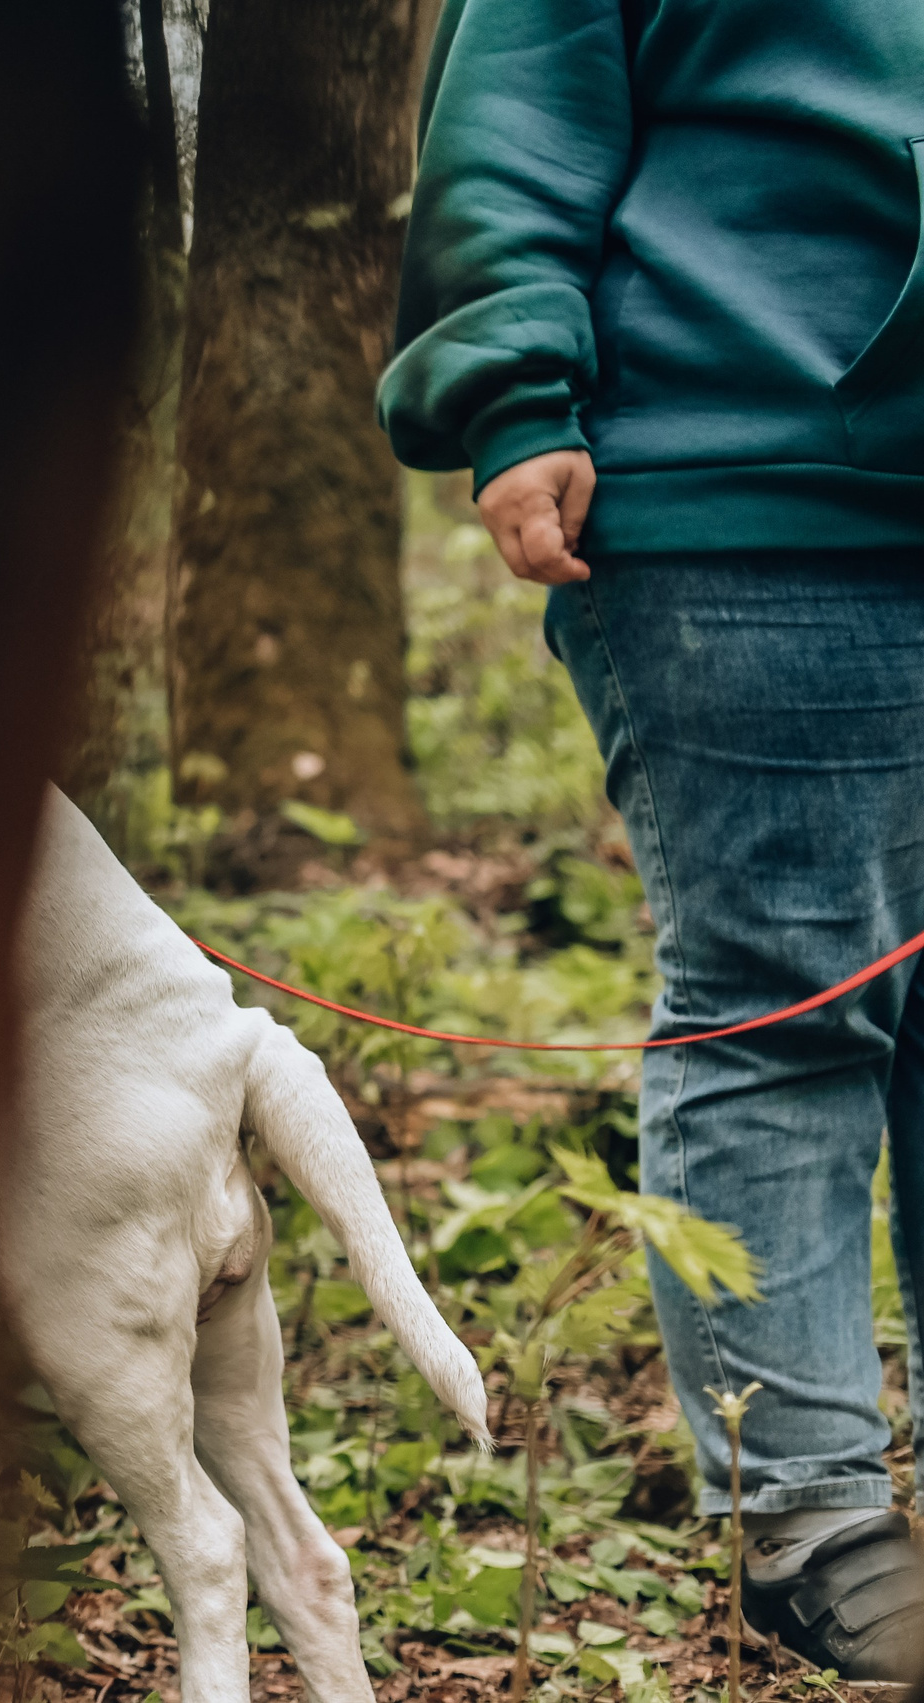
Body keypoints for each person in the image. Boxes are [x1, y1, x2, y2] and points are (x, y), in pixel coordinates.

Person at [379, 0, 924, 1680]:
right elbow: (519, 109)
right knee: (786, 1001)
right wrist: (514, 388)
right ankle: (814, 1519)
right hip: (736, 479)